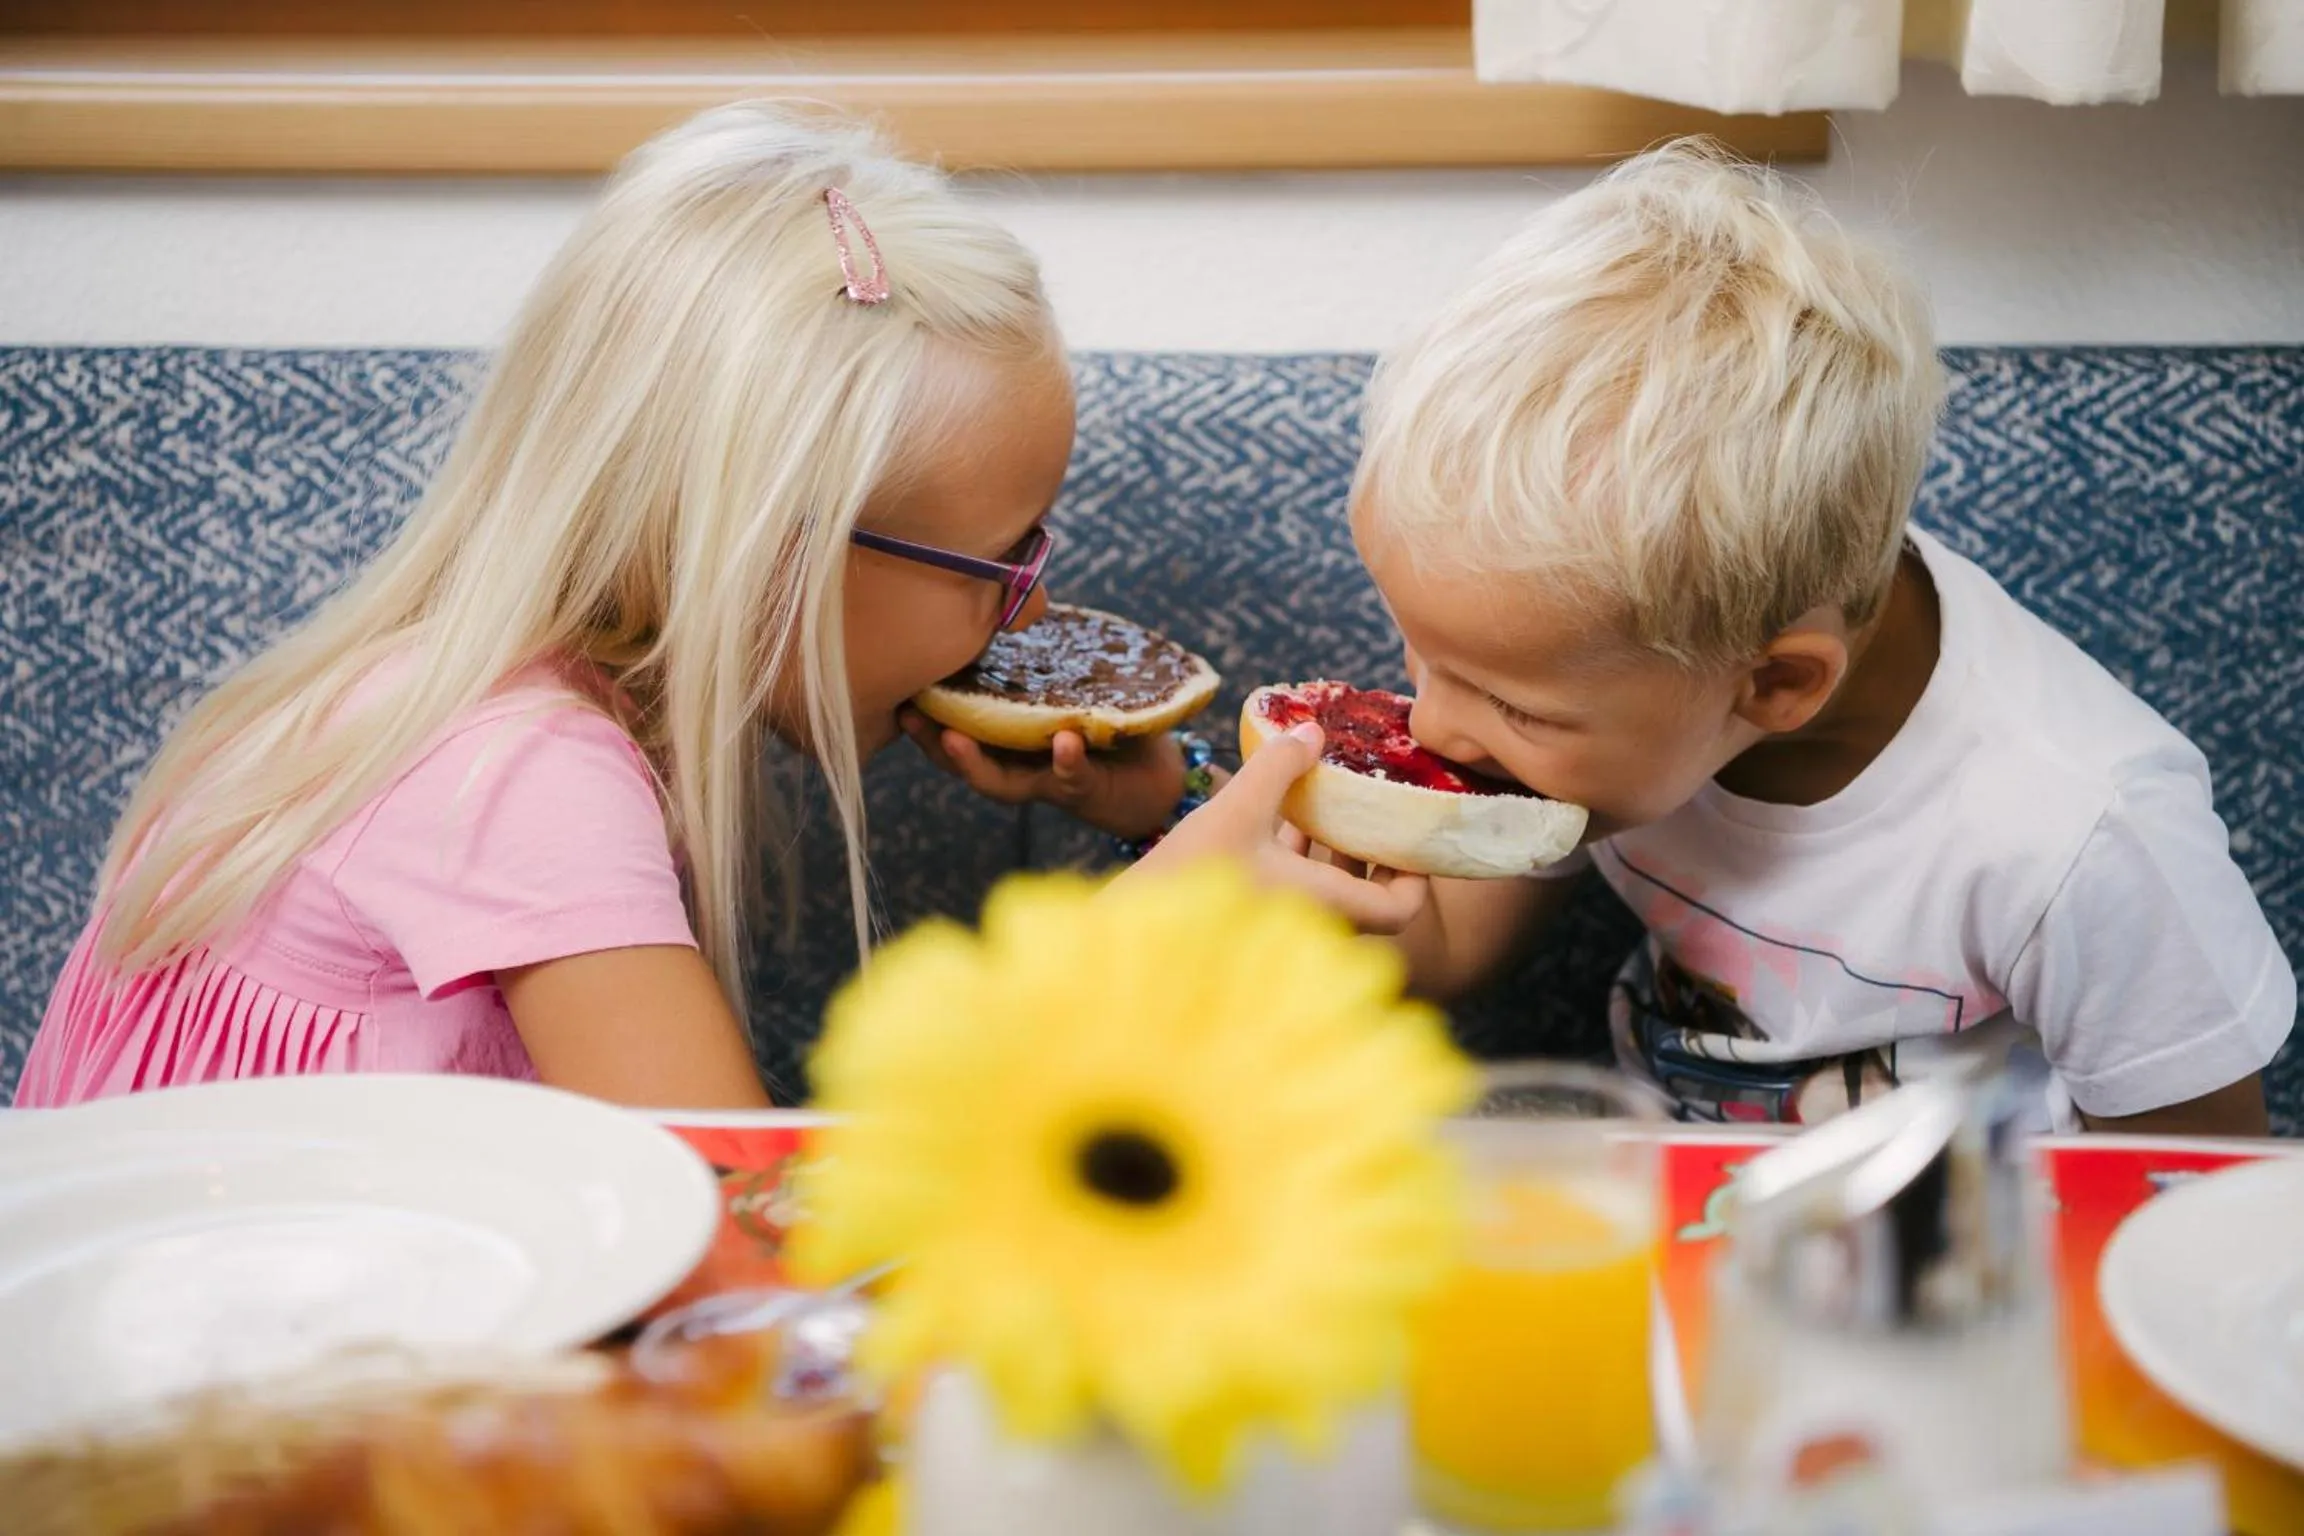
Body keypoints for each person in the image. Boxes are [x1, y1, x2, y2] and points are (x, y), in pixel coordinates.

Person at [19, 103, 1317, 1111]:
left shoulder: (481, 703)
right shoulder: (519, 780)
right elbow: (742, 1264)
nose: (1028, 619)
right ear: (762, 554)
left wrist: (1174, 799)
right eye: (1003, 563)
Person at [1182, 141, 2292, 1134]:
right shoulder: (1604, 676)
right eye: (1423, 655)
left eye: (1510, 704)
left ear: (1774, 686)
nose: (1432, 722)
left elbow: (2189, 1198)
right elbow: (1451, 944)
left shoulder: (2078, 840)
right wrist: (1193, 838)